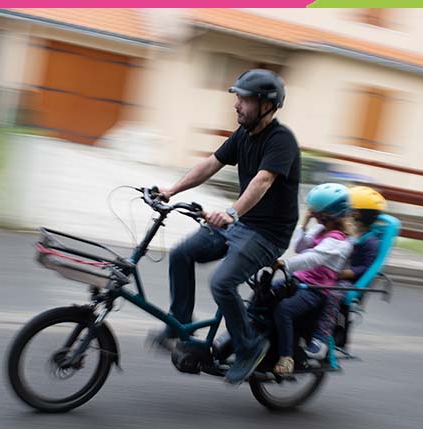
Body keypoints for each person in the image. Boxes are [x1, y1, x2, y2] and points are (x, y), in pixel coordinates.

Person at [148, 68, 301, 385]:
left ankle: (248, 345)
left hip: (268, 233)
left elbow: (263, 180)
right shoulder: (243, 135)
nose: (236, 105)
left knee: (221, 282)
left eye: (244, 99)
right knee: (180, 254)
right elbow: (210, 163)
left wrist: (232, 211)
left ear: (266, 105)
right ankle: (179, 323)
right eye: (238, 98)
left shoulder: (281, 140)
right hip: (241, 223)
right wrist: (171, 190)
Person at [270, 183, 353, 375]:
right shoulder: (320, 231)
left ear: (328, 214)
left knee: (284, 310)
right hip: (299, 281)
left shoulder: (340, 242)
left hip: (315, 290)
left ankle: (286, 356)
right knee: (262, 292)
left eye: (316, 211)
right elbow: (300, 247)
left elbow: (314, 257)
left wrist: (285, 264)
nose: (312, 212)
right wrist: (305, 223)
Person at [304, 186, 388, 367]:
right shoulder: (353, 233)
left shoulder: (371, 242)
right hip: (335, 274)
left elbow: (363, 269)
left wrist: (338, 273)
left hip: (347, 282)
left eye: (348, 210)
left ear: (356, 214)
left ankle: (320, 336)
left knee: (331, 295)